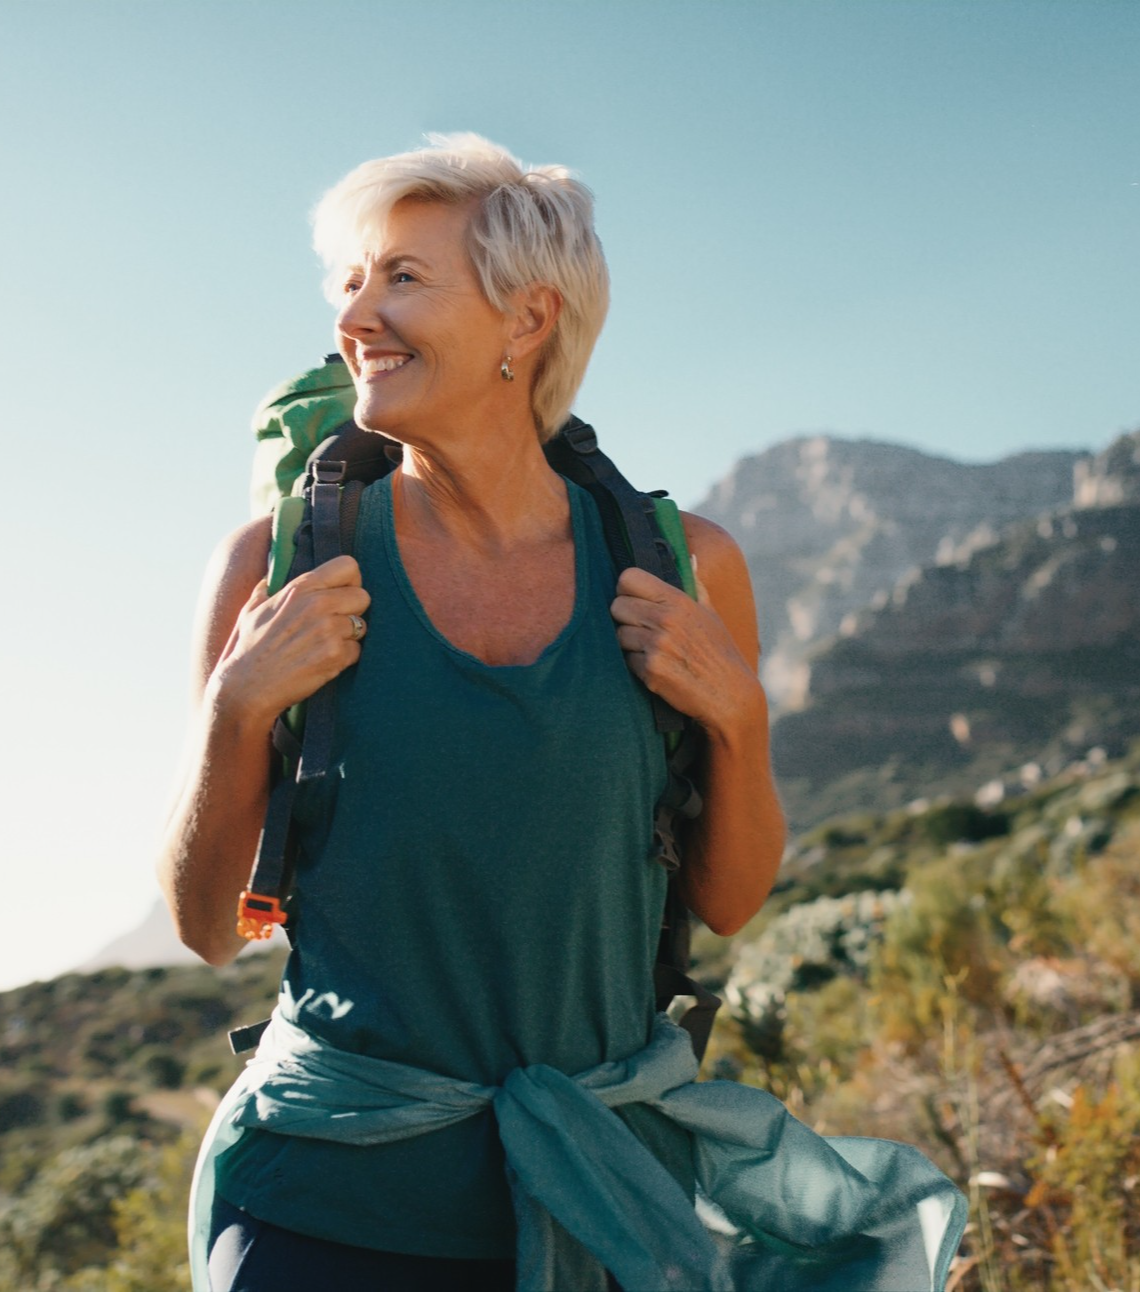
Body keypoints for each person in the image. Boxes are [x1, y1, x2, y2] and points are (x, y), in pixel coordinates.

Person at [160, 133, 963, 1292]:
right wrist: (237, 705)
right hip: (326, 1199)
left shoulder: (685, 568)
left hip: (602, 1201)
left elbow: (727, 898)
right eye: (351, 282)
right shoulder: (273, 568)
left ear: (525, 320)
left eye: (403, 278)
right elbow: (199, 921)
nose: (357, 318)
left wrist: (739, 718)